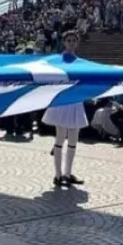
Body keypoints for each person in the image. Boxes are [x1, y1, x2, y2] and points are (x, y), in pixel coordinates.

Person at [44, 31, 87, 187]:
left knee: (73, 140)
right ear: (64, 42)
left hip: (75, 101)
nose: (71, 43)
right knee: (60, 138)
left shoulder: (81, 62)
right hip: (62, 101)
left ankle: (68, 173)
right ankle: (57, 174)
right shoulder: (57, 61)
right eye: (68, 40)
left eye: (73, 41)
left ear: (77, 43)